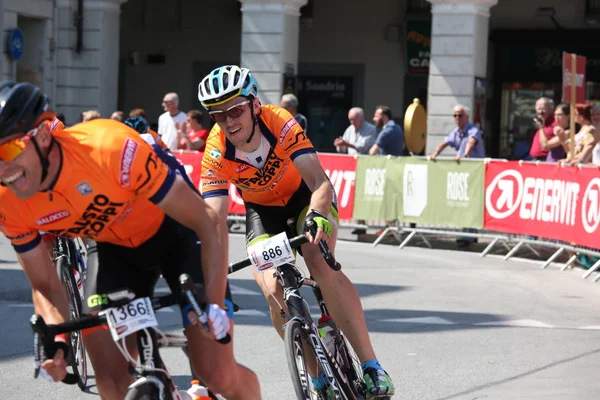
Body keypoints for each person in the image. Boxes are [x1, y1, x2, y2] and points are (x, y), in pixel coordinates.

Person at [0, 81, 261, 400]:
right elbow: (45, 283)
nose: (4, 169)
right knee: (110, 382)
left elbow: (208, 223)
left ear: (42, 136)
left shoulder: (107, 148)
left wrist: (215, 304)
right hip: (112, 248)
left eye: (8, 150)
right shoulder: (6, 199)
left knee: (216, 373)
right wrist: (57, 341)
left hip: (176, 232)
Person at [198, 65, 395, 399]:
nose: (229, 122)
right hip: (262, 212)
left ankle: (372, 366)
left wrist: (317, 216)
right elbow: (213, 220)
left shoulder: (280, 122)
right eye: (219, 116)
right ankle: (317, 377)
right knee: (273, 289)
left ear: (253, 105)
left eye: (235, 111)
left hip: (305, 199)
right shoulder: (215, 151)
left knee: (318, 263)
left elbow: (320, 183)